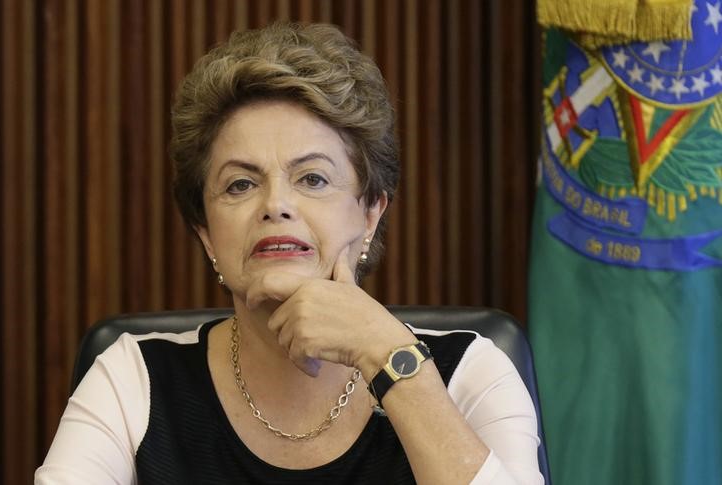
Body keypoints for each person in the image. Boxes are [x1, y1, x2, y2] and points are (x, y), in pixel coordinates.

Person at [35, 23, 542, 485]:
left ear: (369, 213)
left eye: (312, 178)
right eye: (240, 184)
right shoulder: (133, 380)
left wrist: (388, 358)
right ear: (207, 234)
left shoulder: (471, 374)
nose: (275, 204)